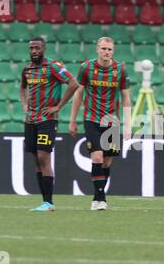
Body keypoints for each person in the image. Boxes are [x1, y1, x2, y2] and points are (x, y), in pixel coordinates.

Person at [46, 37, 132, 211]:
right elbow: (78, 94)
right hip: (91, 119)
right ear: (97, 49)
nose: (107, 52)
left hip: (112, 121)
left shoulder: (121, 69)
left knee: (107, 162)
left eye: (110, 49)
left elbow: (126, 97)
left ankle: (100, 195)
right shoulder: (86, 67)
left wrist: (128, 124)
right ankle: (98, 198)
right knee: (97, 157)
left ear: (113, 51)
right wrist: (72, 120)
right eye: (104, 49)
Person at [20, 37, 79, 212]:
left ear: (43, 49)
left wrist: (58, 107)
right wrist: (25, 104)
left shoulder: (53, 66)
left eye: (37, 48)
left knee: (43, 157)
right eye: (31, 48)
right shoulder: (27, 69)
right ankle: (44, 202)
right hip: (30, 120)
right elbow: (22, 87)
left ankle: (49, 202)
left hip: (47, 120)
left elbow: (74, 83)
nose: (33, 51)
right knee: (36, 160)